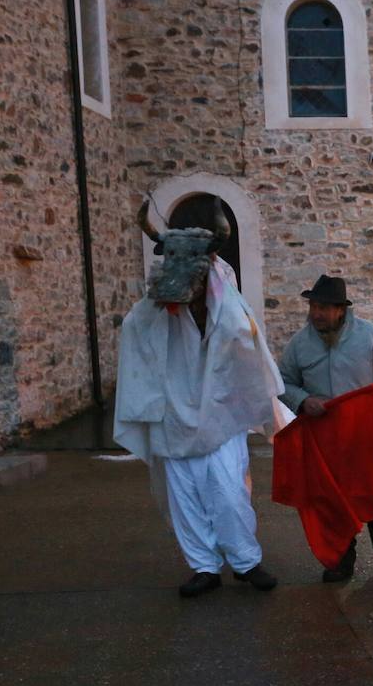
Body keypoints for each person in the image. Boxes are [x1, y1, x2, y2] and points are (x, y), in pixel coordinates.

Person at [114, 201, 283, 598]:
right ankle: (204, 567)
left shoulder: (225, 298)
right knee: (185, 499)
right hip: (173, 416)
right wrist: (163, 305)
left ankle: (245, 562)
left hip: (220, 415)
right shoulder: (152, 309)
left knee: (228, 492)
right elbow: (136, 335)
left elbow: (243, 339)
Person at [277, 275, 373, 582]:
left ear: (340, 310)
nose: (316, 313)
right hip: (323, 438)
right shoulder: (300, 343)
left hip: (364, 436)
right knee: (331, 502)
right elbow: (282, 382)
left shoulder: (369, 335)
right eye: (313, 306)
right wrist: (302, 400)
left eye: (324, 307)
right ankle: (341, 561)